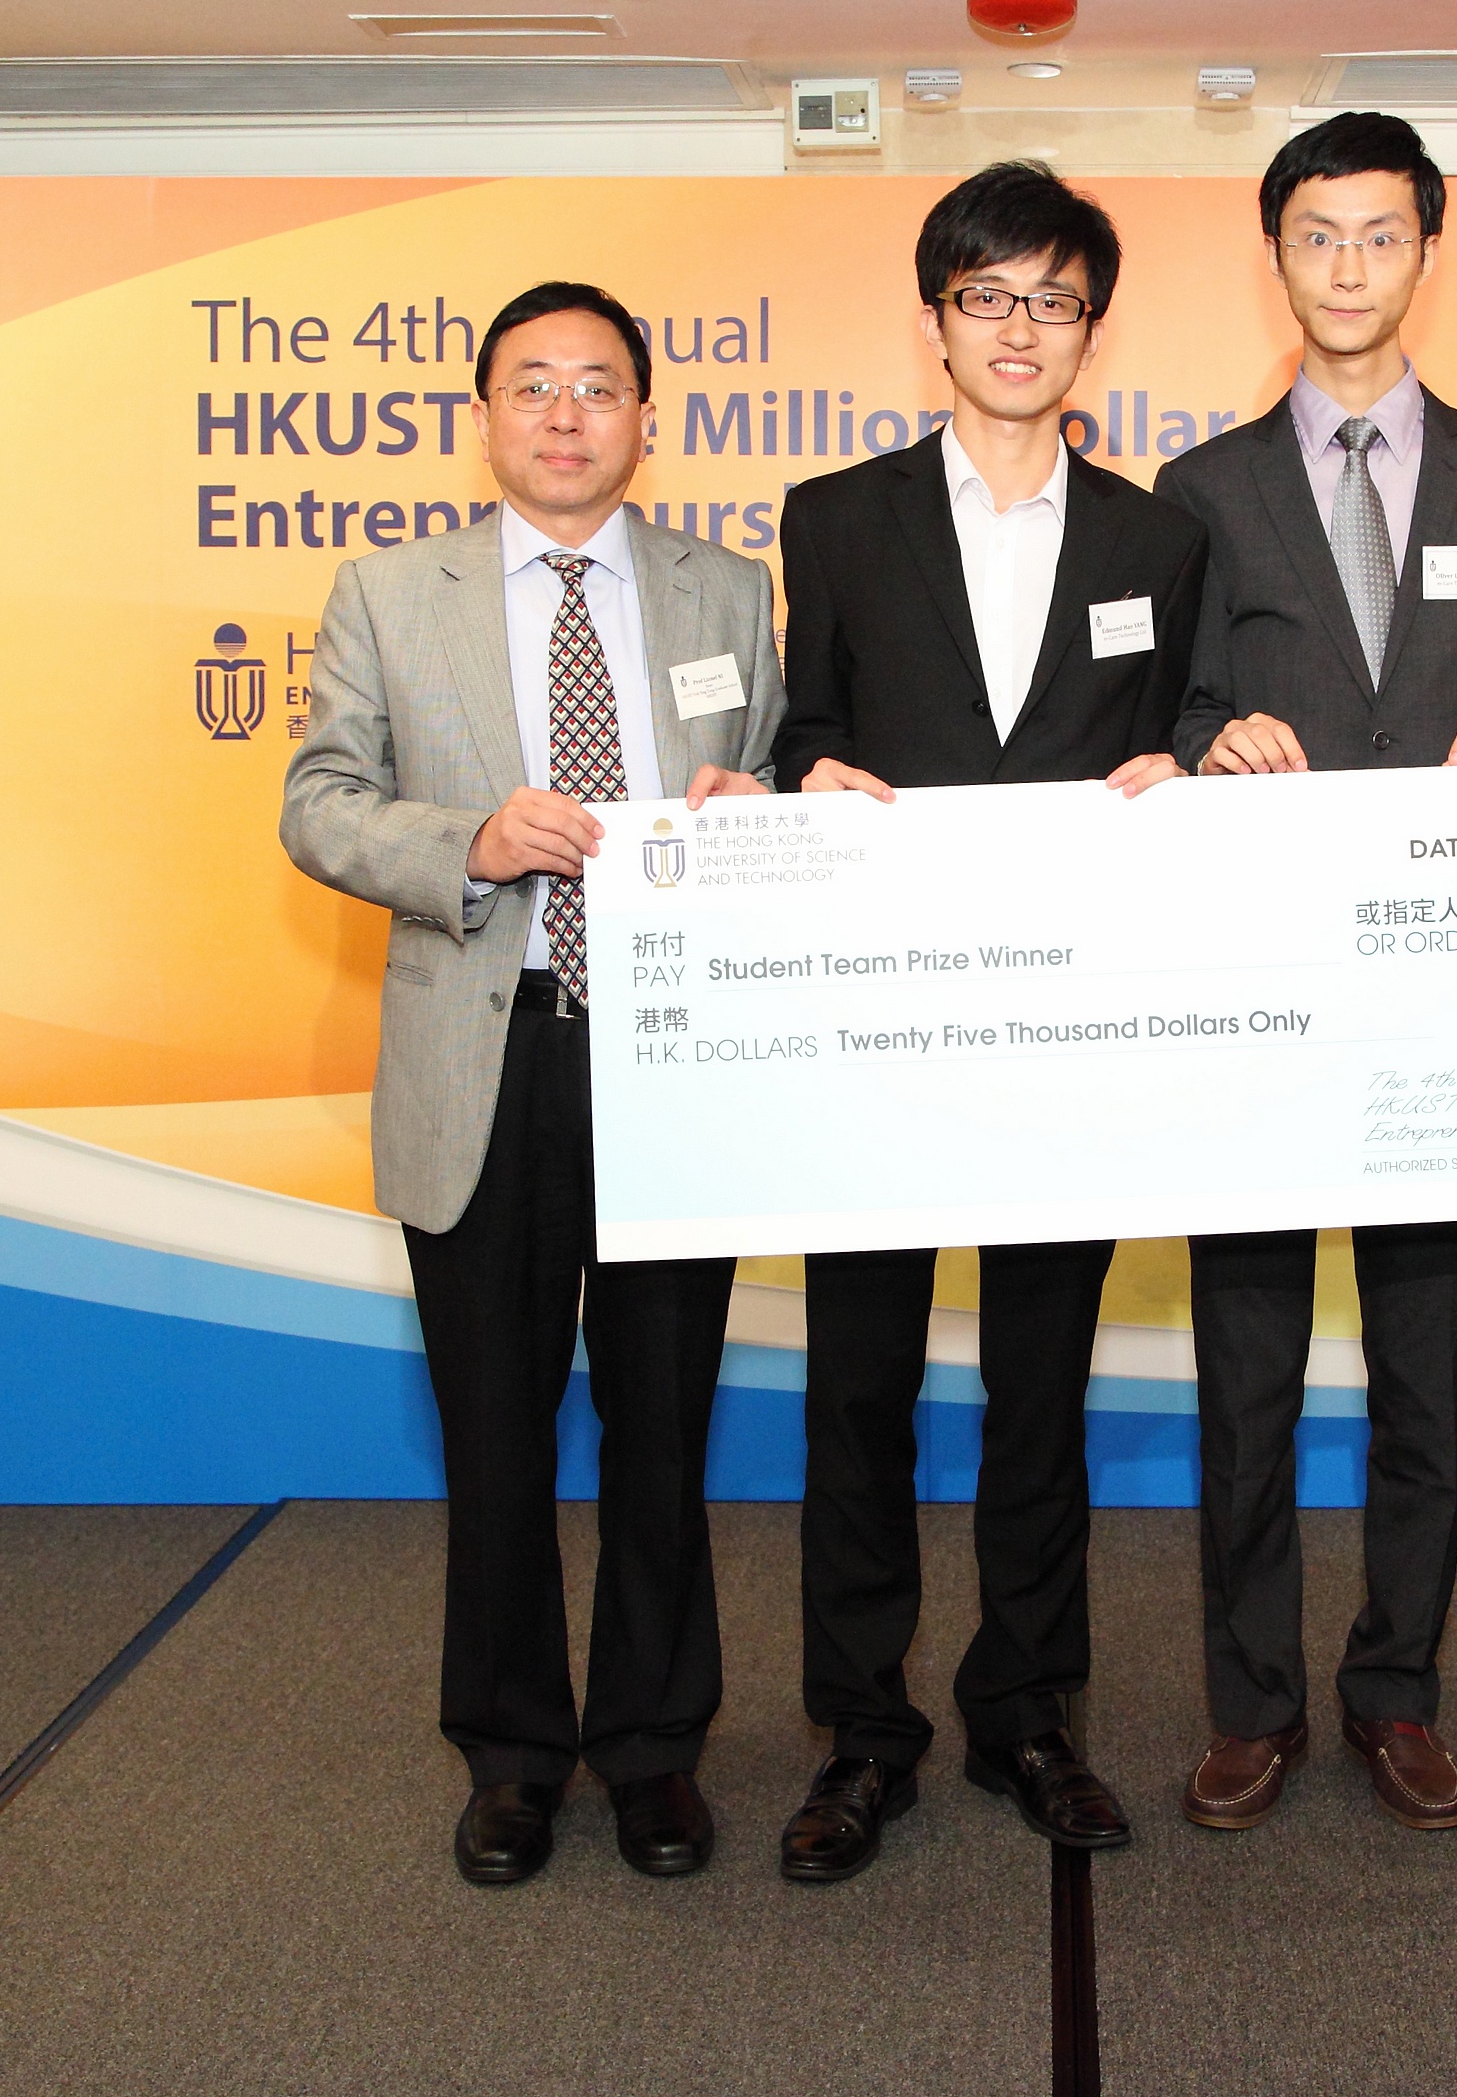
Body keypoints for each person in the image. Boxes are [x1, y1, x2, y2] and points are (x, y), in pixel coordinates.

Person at [281, 281, 786, 1888]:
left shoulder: (730, 593)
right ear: (486, 414)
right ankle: (509, 1752)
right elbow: (318, 803)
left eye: (599, 387)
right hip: (481, 1055)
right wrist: (466, 844)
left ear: (649, 415)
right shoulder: (386, 592)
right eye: (533, 386)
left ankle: (651, 1748)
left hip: (673, 1059)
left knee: (662, 1426)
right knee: (493, 1431)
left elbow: (769, 772)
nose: (566, 415)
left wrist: (752, 805)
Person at [767, 164, 1207, 1881]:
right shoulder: (837, 515)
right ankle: (861, 1734)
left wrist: (1184, 765)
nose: (1020, 331)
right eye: (987, 297)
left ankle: (1029, 1715)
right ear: (935, 319)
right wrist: (811, 768)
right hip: (876, 1035)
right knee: (856, 1395)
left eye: (1053, 300)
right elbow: (809, 716)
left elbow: (1183, 731)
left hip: (1067, 1042)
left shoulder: (1157, 538)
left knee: (1042, 1395)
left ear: (1092, 327)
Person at [1155, 111, 1457, 1834]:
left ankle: (1396, 1689)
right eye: (1317, 236)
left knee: (1423, 1366)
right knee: (1244, 1378)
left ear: (1426, 255)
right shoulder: (1199, 491)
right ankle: (1252, 1703)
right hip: (1258, 997)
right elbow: (1157, 722)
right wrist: (1208, 733)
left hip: (1437, 1001)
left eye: (1380, 236)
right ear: (1276, 256)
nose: (1347, 268)